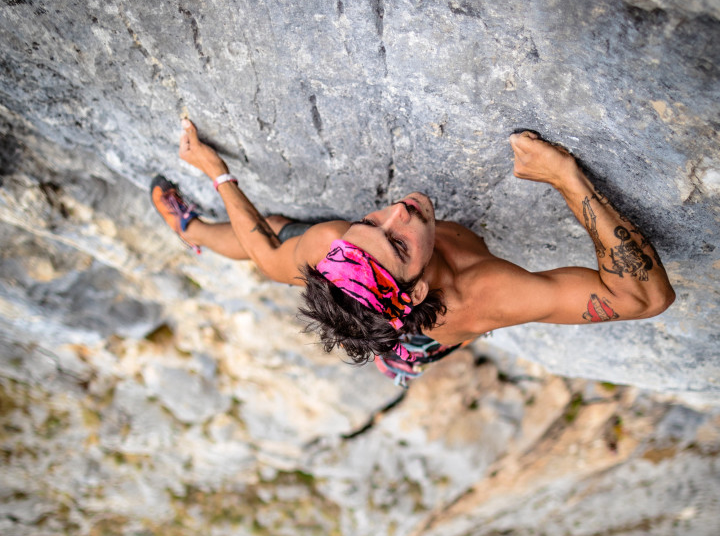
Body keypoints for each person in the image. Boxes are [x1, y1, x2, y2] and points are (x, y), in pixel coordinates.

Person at [151, 119, 675, 387]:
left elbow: (267, 254)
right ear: (418, 287)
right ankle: (191, 233)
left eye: (369, 222)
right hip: (417, 339)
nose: (396, 210)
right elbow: (644, 299)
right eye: (397, 243)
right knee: (410, 353)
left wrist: (216, 171)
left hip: (376, 301)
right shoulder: (483, 295)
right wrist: (564, 176)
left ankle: (192, 230)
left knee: (274, 228)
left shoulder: (335, 247)